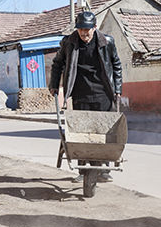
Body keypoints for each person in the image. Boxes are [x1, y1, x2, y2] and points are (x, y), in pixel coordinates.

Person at [49, 11, 123, 183]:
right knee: (81, 133)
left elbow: (116, 65)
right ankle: (83, 170)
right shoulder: (69, 42)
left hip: (103, 93)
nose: (84, 33)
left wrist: (118, 88)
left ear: (95, 28)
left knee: (102, 132)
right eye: (81, 30)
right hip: (80, 92)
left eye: (87, 30)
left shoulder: (107, 42)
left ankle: (103, 169)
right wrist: (54, 85)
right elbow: (57, 63)